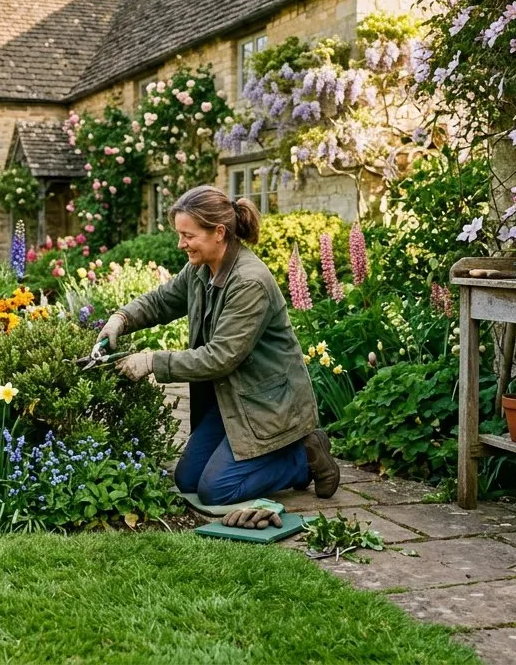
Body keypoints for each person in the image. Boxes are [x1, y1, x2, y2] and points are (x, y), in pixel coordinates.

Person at [94, 185, 339, 505]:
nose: (181, 244)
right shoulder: (200, 269)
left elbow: (221, 357)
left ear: (219, 232)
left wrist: (152, 361)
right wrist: (121, 319)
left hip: (266, 404)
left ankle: (302, 457)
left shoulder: (248, 281)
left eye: (188, 235)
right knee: (187, 481)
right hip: (230, 401)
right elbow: (162, 301)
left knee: (216, 490)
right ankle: (248, 451)